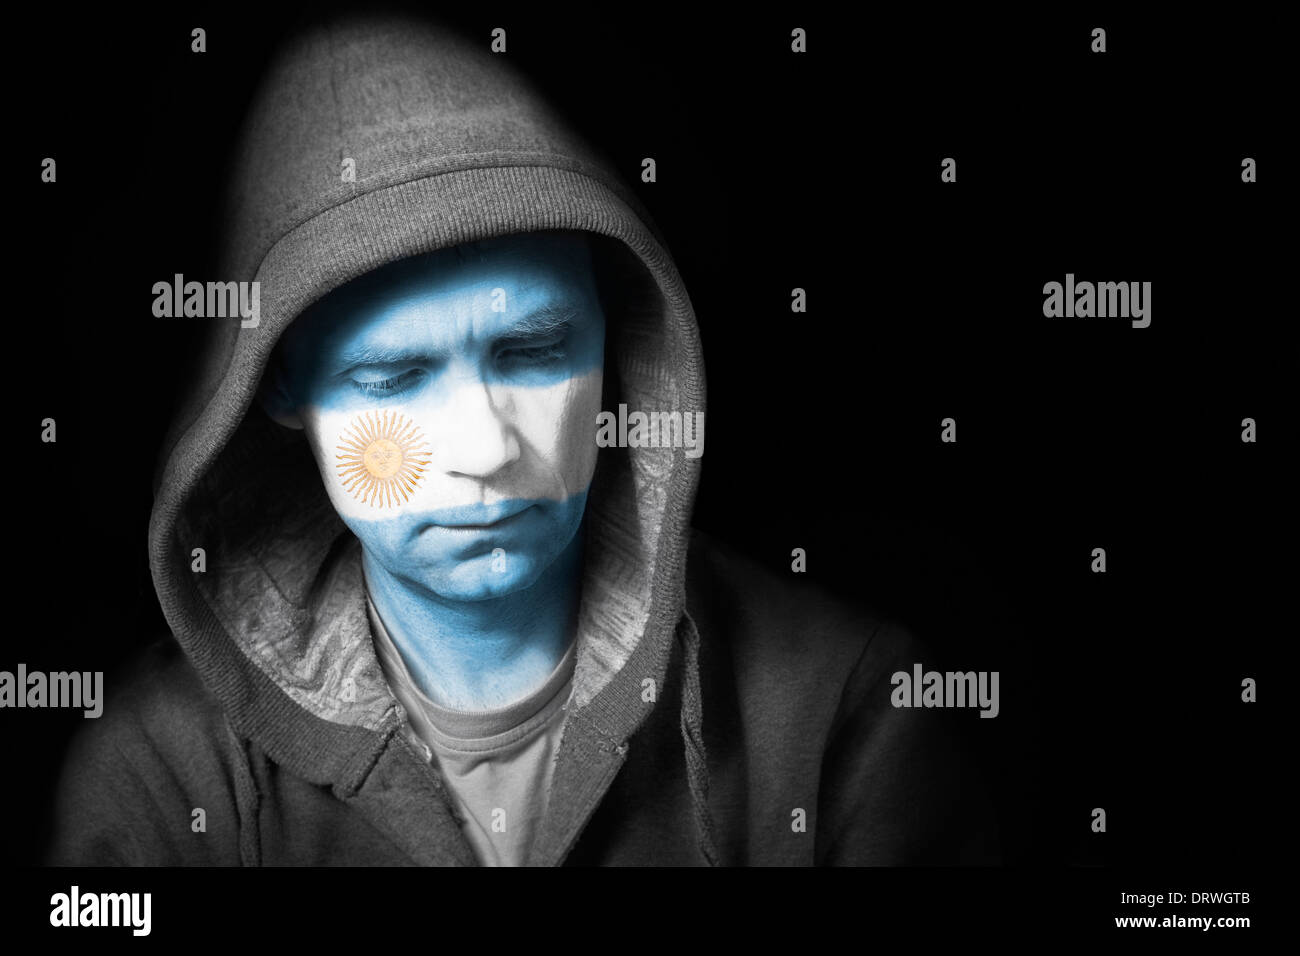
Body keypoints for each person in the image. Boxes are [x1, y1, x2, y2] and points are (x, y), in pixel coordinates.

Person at [44, 12, 999, 866]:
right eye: (392, 380)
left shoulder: (846, 710)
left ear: (616, 346)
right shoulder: (162, 778)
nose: (485, 449)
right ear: (282, 388)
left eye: (534, 352)